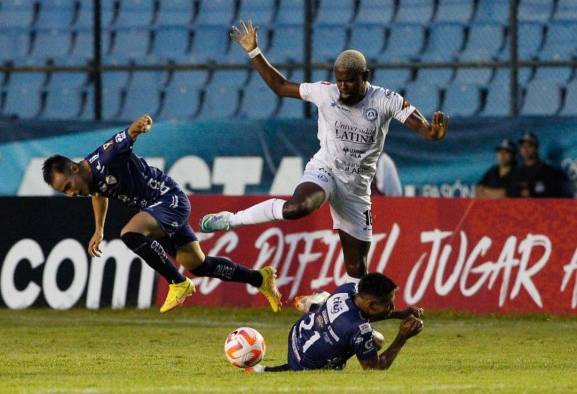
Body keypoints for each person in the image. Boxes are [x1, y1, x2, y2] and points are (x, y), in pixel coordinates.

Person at [200, 20, 449, 281]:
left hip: (356, 188)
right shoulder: (325, 93)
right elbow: (280, 86)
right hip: (326, 169)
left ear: (365, 77)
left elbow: (423, 127)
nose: (343, 87)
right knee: (297, 208)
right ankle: (231, 219)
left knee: (357, 271)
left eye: (350, 82)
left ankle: (348, 317)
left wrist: (433, 133)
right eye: (339, 81)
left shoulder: (386, 99)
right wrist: (254, 51)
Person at [41, 114, 282, 313]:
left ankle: (178, 283)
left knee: (130, 234)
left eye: (68, 187)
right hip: (154, 209)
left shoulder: (105, 157)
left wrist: (139, 126)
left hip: (169, 200)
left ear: (73, 168)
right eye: (65, 193)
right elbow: (99, 193)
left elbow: (127, 134)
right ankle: (260, 278)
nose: (71, 194)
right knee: (198, 265)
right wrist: (99, 229)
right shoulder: (89, 181)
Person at [247, 272, 424, 372]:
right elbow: (375, 368)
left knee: (364, 336)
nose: (392, 306)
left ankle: (315, 303)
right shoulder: (359, 330)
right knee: (374, 340)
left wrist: (399, 314)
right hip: (304, 364)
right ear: (371, 304)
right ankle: (274, 370)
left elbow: (363, 314)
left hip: (297, 335)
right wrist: (402, 337)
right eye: (388, 304)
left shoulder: (347, 290)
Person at [508, 132, 566, 198]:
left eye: (529, 146)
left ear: (536, 148)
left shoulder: (547, 171)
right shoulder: (516, 173)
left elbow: (553, 193)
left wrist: (531, 190)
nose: (525, 149)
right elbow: (510, 193)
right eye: (522, 146)